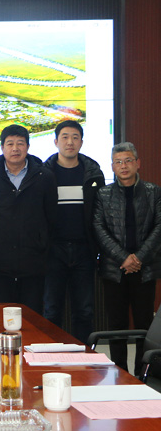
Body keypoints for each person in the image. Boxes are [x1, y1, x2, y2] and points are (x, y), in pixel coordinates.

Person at [93, 142, 161, 374]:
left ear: (137, 163)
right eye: (118, 162)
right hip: (115, 269)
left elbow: (159, 227)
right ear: (112, 166)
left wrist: (138, 258)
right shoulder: (103, 194)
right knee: (116, 325)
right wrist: (124, 258)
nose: (124, 166)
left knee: (144, 324)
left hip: (145, 268)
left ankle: (143, 374)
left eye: (128, 161)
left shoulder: (153, 192)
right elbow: (99, 228)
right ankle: (120, 373)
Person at [0, 125, 57, 314]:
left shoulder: (44, 177)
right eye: (10, 144)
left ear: (28, 147)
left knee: (32, 316)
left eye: (20, 143)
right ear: (1, 147)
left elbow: (52, 218)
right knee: (1, 315)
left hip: (34, 262)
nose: (15, 148)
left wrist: (43, 248)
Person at [42, 121, 105, 343]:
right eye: (65, 137)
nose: (70, 142)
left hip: (84, 250)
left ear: (81, 142)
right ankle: (50, 357)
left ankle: (84, 358)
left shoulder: (93, 174)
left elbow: (100, 213)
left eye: (75, 137)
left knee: (84, 311)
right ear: (56, 141)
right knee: (51, 310)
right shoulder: (44, 174)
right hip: (53, 250)